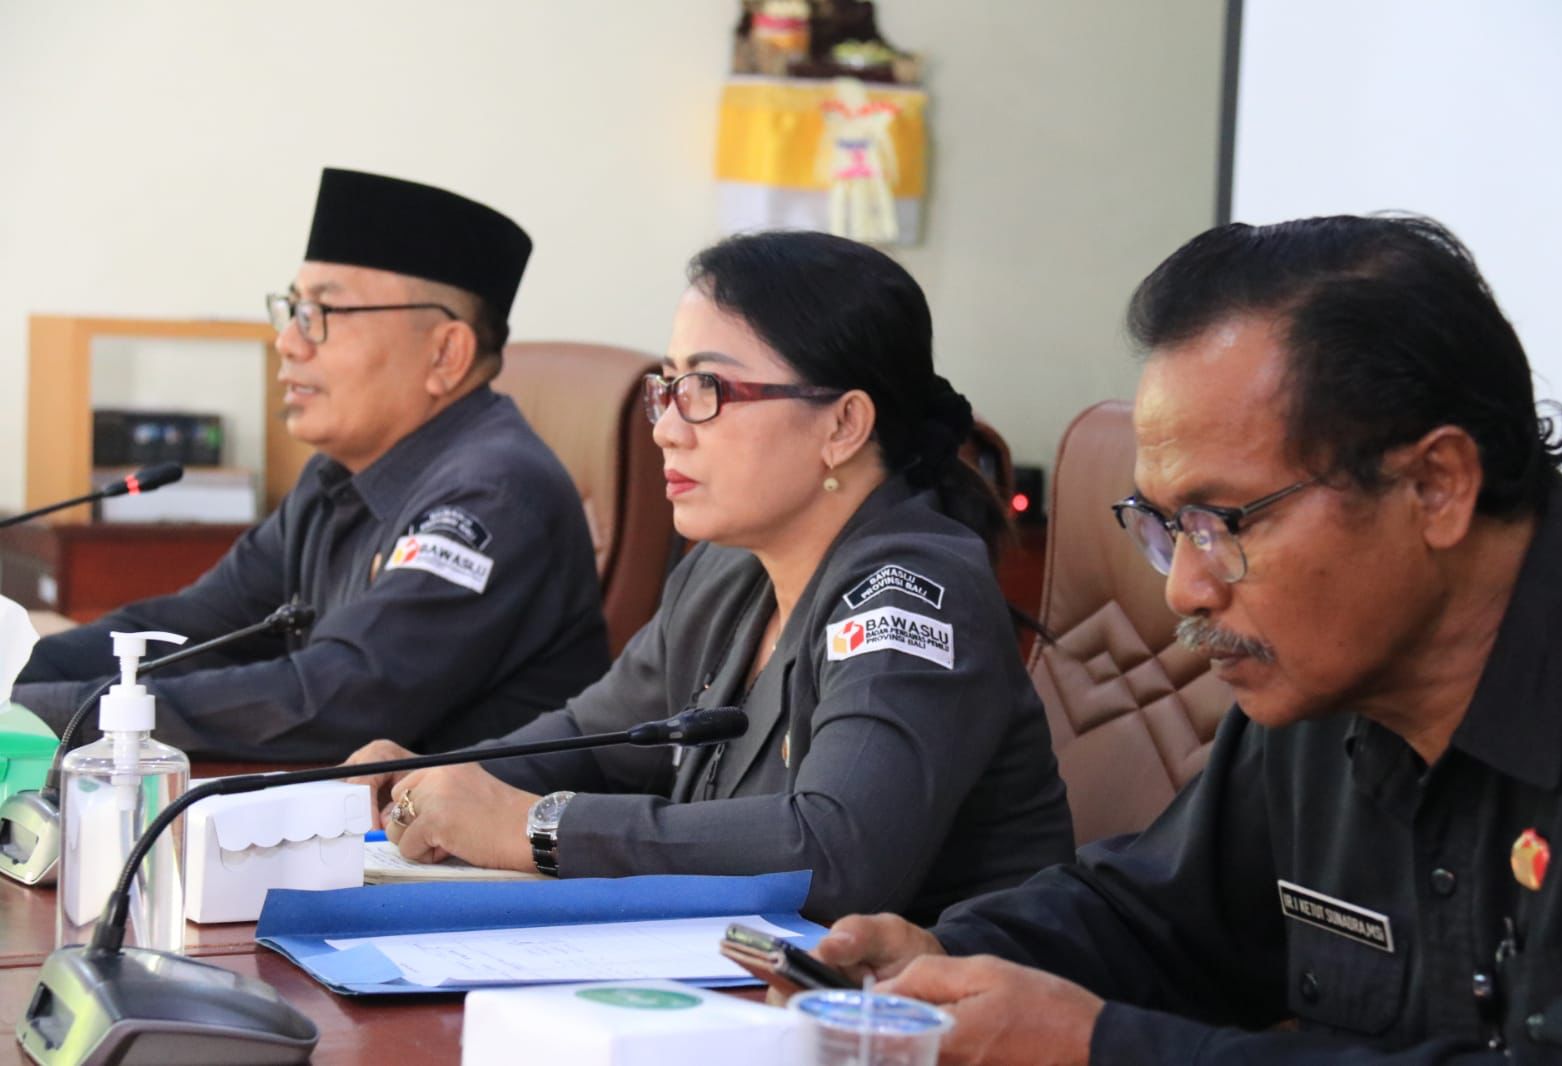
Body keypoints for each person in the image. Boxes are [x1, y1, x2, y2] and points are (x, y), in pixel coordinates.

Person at [816, 215, 1562, 1062]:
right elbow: (1157, 919)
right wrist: (943, 958)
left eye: (1222, 521)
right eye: (1165, 527)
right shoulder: (1323, 679)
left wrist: (1100, 1048)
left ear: (1433, 485)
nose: (1183, 588)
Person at [348, 230, 1075, 924]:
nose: (667, 427)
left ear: (843, 425)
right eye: (666, 388)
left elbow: (836, 852)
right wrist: (432, 778)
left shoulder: (915, 593)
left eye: (707, 389)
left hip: (923, 997)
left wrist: (535, 827)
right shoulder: (727, 569)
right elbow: (590, 740)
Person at [14, 169, 610, 760]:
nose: (289, 342)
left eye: (324, 312)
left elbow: (333, 699)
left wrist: (50, 715)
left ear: (445, 354)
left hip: (445, 824)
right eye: (294, 310)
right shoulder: (336, 474)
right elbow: (195, 626)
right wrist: (15, 676)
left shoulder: (493, 495)